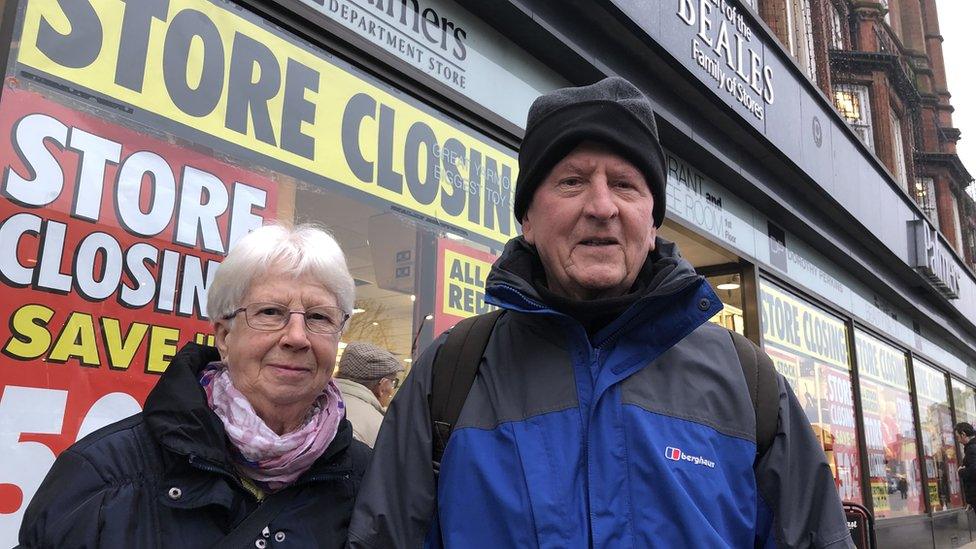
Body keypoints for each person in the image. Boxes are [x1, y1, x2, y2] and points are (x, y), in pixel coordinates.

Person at [348, 77, 852, 547]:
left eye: (626, 185)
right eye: (571, 182)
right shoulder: (450, 374)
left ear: (651, 222)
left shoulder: (750, 384)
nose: (602, 206)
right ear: (527, 216)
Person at [20, 224, 370, 548]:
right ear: (224, 335)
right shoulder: (102, 476)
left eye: (319, 317)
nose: (297, 337)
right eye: (270, 313)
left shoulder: (370, 481)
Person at [335, 342, 405, 447]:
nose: (391, 390)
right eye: (393, 383)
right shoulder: (380, 426)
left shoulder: (315, 404)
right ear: (382, 386)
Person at [956, 422, 976, 506]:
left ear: (963, 434)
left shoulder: (972, 448)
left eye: (957, 436)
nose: (957, 439)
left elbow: (974, 470)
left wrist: (961, 471)